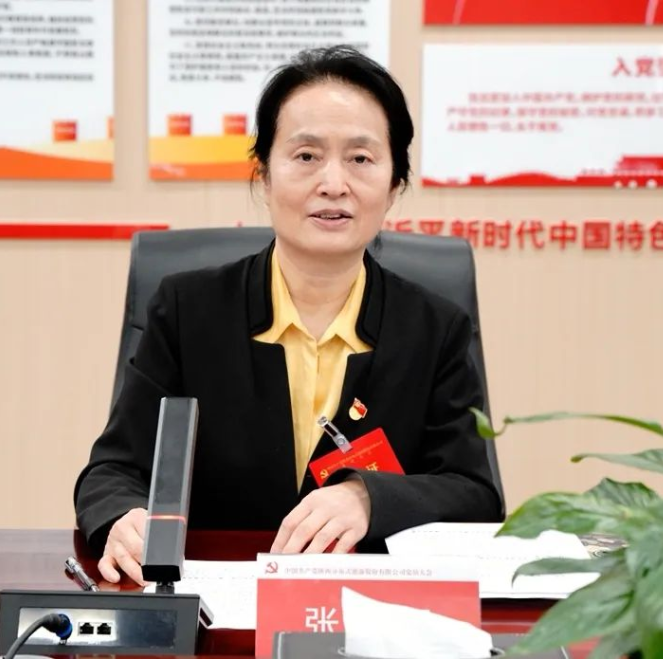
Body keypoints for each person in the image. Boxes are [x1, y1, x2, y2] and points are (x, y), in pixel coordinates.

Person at [74, 45, 503, 586]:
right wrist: (124, 518)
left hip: (368, 604)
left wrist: (368, 497)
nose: (333, 183)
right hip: (217, 604)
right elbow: (114, 470)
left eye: (361, 159)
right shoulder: (188, 310)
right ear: (264, 176)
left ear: (395, 185)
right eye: (305, 156)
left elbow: (475, 494)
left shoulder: (435, 329)